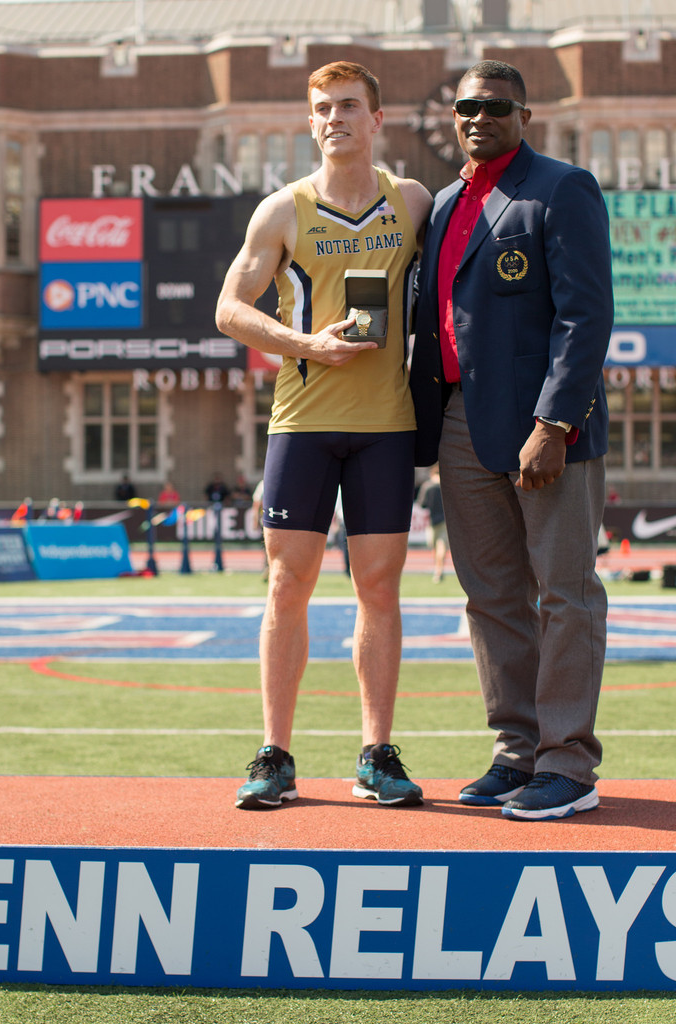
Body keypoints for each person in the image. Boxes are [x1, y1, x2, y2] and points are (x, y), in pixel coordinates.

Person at [215, 60, 433, 810]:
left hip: (386, 425)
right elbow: (229, 309)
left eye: (348, 105)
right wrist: (305, 343)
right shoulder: (282, 210)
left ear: (377, 119)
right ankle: (274, 754)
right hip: (303, 422)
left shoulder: (413, 201)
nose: (335, 118)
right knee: (287, 583)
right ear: (310, 123)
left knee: (380, 586)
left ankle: (376, 753)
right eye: (322, 109)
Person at [410, 60, 614, 821]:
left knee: (565, 593)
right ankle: (517, 750)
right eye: (467, 106)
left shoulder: (562, 188)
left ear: (524, 115)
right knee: (492, 596)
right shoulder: (442, 203)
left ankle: (568, 763)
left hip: (543, 425)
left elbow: (585, 317)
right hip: (460, 422)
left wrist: (554, 424)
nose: (479, 117)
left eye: (496, 106)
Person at [416, 465, 448, 582]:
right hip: (445, 520)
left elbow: (422, 504)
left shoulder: (427, 486)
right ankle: (439, 569)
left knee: (434, 547)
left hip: (432, 521)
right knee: (442, 546)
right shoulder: (446, 486)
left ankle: (437, 569)